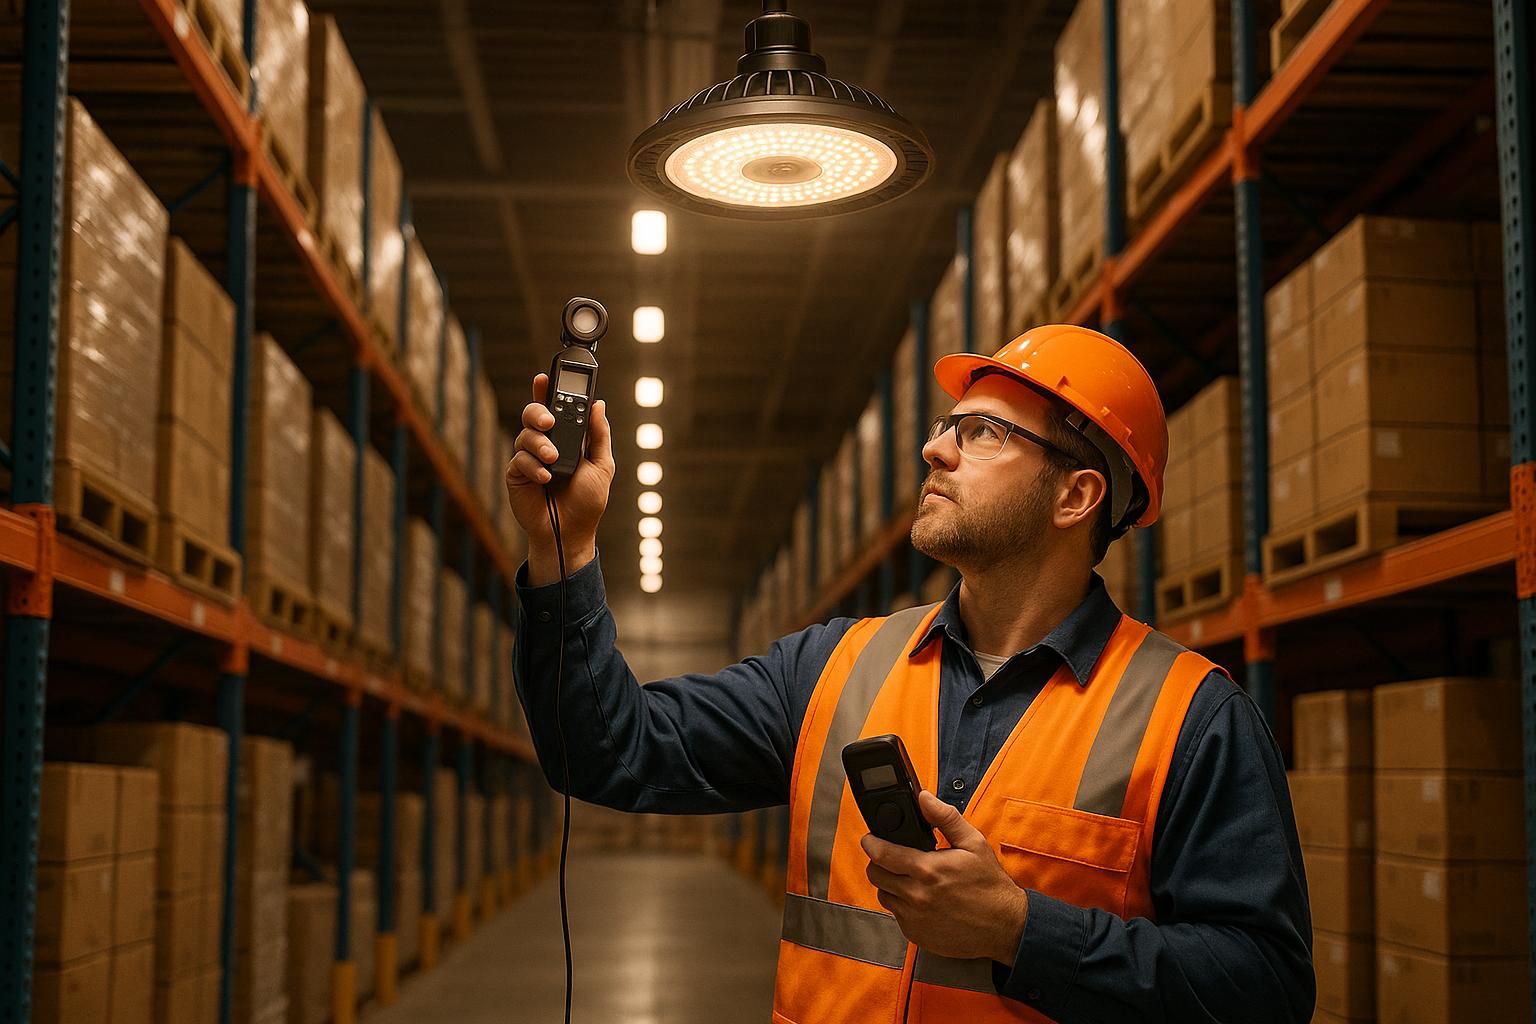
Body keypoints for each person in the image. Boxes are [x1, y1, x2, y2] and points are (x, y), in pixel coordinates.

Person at [506, 325, 1314, 1023]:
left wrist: (1021, 931)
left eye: (985, 434)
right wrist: (563, 549)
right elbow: (605, 749)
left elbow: (1264, 993)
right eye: (945, 425)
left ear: (1077, 495)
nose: (935, 448)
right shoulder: (832, 669)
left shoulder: (1191, 719)